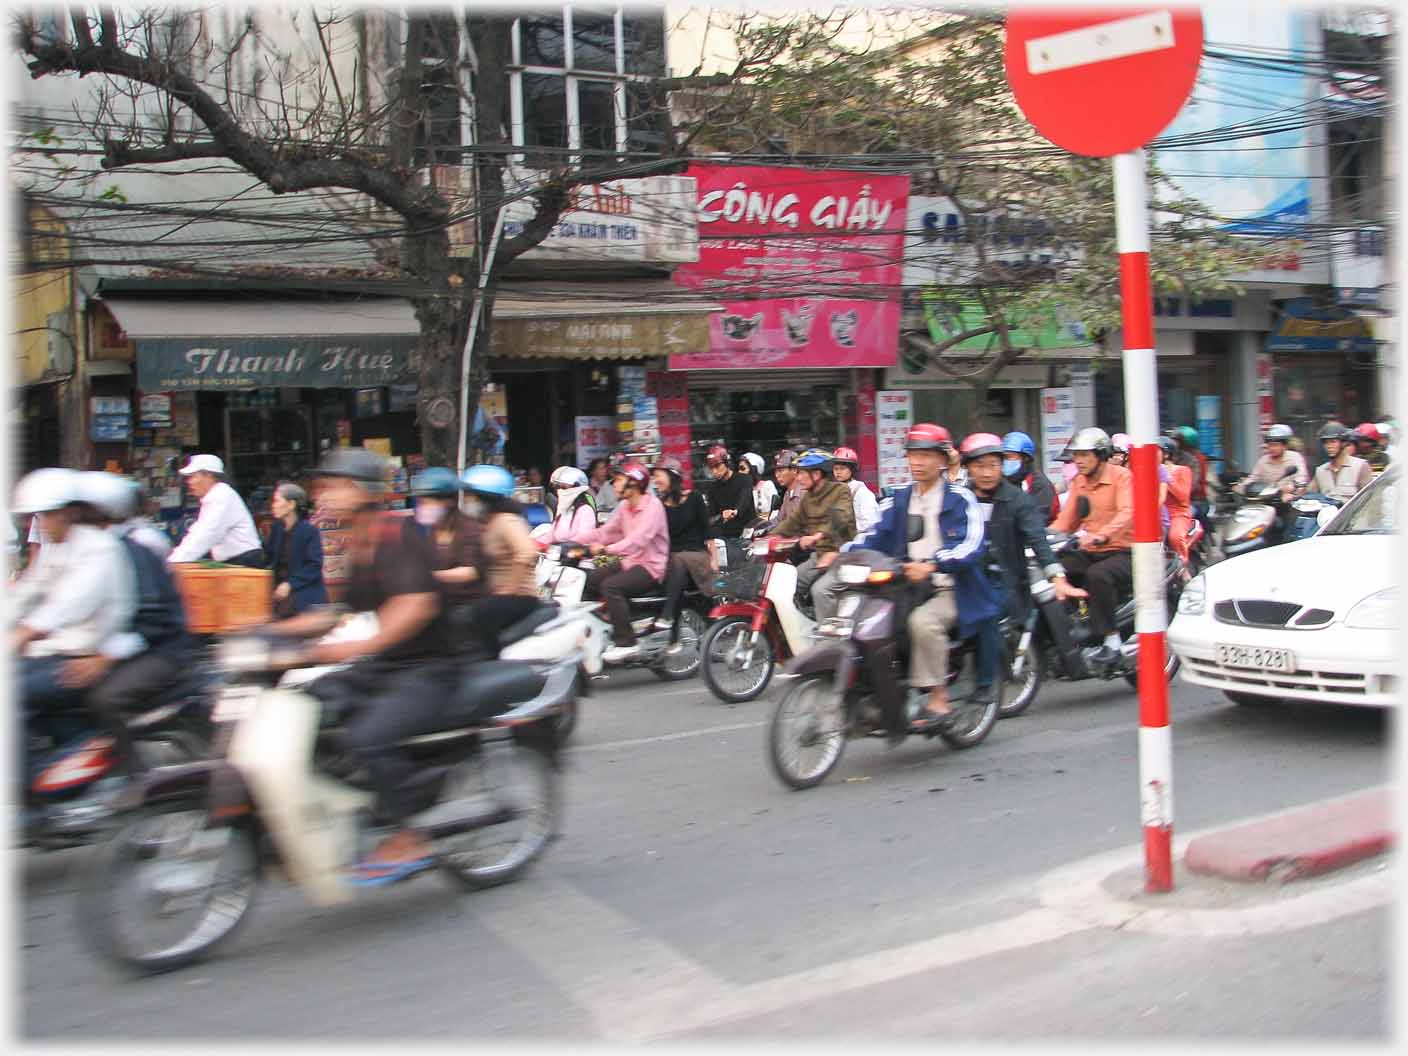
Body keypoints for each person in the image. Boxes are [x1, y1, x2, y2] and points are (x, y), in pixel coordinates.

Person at [263, 447, 456, 883]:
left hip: (429, 667)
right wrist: (271, 632)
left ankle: (410, 835)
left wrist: (353, 647)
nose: (323, 495)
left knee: (367, 735)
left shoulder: (397, 536)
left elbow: (415, 606)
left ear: (365, 492)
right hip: (386, 665)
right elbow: (338, 612)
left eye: (334, 486)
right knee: (306, 707)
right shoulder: (357, 543)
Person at [834, 423, 1000, 734]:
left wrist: (935, 564)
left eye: (926, 455)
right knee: (868, 623)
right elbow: (874, 534)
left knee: (923, 622)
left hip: (953, 587)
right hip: (907, 585)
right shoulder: (899, 499)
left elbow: (972, 543)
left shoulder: (961, 498)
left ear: (942, 460)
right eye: (913, 455)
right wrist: (843, 552)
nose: (918, 462)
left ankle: (939, 698)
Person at [58, 472, 194, 773]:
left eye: (79, 511)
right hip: (118, 644)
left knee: (105, 698)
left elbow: (152, 621)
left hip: (161, 650)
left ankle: (132, 774)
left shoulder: (132, 550)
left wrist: (103, 658)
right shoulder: (87, 551)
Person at [9, 468, 136, 723]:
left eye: (47, 515)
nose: (40, 524)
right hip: (54, 653)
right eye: (38, 516)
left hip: (85, 659)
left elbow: (70, 602)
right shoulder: (57, 547)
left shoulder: (99, 548)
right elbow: (29, 589)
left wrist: (24, 632)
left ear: (70, 513)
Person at [1049, 428, 1134, 666]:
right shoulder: (1079, 482)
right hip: (1092, 550)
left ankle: (1112, 641)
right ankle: (1077, 625)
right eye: (1076, 455)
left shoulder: (1122, 477)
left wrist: (1099, 536)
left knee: (1098, 575)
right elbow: (1066, 520)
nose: (1078, 461)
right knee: (1057, 569)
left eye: (1084, 455)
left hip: (1124, 550)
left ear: (1101, 454)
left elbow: (1127, 512)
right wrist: (1044, 539)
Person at [578, 462, 670, 663]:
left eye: (618, 480)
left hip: (651, 566)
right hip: (630, 562)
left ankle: (627, 643)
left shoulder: (652, 506)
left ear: (634, 483)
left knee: (611, 587)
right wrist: (575, 541)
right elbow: (607, 532)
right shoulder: (623, 507)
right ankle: (610, 626)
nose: (613, 485)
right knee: (589, 580)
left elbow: (638, 540)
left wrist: (606, 549)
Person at [454, 464, 543, 657]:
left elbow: (527, 553)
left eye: (470, 495)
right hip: (496, 594)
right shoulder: (487, 522)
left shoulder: (507, 521)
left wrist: (508, 590)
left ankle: (489, 663)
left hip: (520, 597)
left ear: (485, 497)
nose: (467, 501)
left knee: (480, 613)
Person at [766, 449, 855, 612]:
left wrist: (817, 536)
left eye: (801, 473)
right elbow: (792, 521)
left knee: (820, 591)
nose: (798, 478)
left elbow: (840, 518)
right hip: (818, 556)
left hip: (841, 555)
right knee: (786, 584)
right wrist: (769, 537)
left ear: (817, 474)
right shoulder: (808, 497)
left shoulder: (841, 490)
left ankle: (829, 634)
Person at [409, 468, 485, 634]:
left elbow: (471, 571)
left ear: (447, 501)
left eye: (426, 502)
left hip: (467, 608)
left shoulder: (469, 528)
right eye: (420, 502)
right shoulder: (427, 531)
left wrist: (432, 576)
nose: (422, 507)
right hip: (437, 606)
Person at [650, 457, 714, 651]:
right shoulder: (658, 505)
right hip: (673, 560)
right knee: (676, 564)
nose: (656, 482)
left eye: (659, 477)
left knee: (678, 560)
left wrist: (715, 560)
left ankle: (670, 622)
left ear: (672, 477)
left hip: (697, 556)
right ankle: (674, 632)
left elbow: (707, 531)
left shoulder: (694, 498)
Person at [167, 454, 264, 567]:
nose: (189, 482)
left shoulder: (220, 496)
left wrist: (175, 562)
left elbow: (204, 535)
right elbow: (198, 533)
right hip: (234, 562)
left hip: (244, 562)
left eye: (193, 476)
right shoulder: (215, 496)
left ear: (208, 476)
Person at [263, 481, 328, 617]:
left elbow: (314, 565)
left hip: (305, 597)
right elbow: (269, 558)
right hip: (280, 598)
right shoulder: (277, 528)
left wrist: (290, 584)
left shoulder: (309, 531)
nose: (273, 505)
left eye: (277, 501)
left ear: (291, 505)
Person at [1001, 431, 1058, 524]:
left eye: (1010, 457)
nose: (1005, 461)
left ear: (1025, 458)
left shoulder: (1039, 484)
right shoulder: (1005, 480)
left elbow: (1038, 519)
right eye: (1003, 458)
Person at [702, 444, 755, 539]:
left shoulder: (744, 479)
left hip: (747, 534)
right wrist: (720, 516)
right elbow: (711, 515)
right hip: (724, 536)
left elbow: (744, 500)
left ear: (727, 463)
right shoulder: (712, 488)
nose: (714, 471)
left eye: (717, 466)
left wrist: (735, 511)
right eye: (711, 468)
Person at [1240, 424, 1308, 497]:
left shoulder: (1295, 457)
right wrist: (1242, 486)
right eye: (1269, 445)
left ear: (1285, 446)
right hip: (1267, 499)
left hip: (1289, 498)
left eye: (1275, 445)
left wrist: (1292, 486)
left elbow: (1301, 477)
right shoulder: (1263, 460)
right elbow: (1253, 478)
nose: (1271, 448)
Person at [1312, 422, 1374, 501]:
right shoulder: (1320, 471)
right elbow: (1309, 495)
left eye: (1333, 441)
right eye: (1326, 442)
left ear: (1344, 443)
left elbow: (1369, 500)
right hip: (1327, 512)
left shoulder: (1360, 466)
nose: (1329, 446)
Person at [1160, 437, 1195, 571]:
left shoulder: (1183, 470)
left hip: (1177, 514)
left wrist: (1167, 478)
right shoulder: (1152, 471)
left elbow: (1183, 496)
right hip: (1158, 513)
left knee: (1174, 537)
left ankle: (1183, 569)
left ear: (1166, 454)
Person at [539, 465, 599, 542]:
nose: (559, 491)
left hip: (574, 551)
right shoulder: (563, 509)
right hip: (558, 551)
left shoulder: (585, 510)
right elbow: (552, 535)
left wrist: (564, 547)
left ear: (577, 488)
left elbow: (584, 538)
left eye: (564, 488)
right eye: (557, 487)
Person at [831, 446, 881, 533]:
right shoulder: (834, 490)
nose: (838, 472)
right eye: (836, 469)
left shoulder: (861, 492)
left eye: (842, 469)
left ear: (852, 470)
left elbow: (870, 522)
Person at [742, 452, 777, 520]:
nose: (740, 472)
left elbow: (776, 511)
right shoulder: (744, 490)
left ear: (753, 469)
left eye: (743, 468)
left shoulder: (767, 485)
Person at [774, 449, 803, 523]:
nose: (777, 475)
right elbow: (779, 520)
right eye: (776, 471)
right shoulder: (788, 493)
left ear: (794, 470)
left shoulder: (803, 493)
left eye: (781, 471)